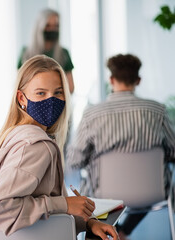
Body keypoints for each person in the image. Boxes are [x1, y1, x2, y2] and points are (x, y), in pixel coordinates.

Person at [0, 55, 118, 239]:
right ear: (22, 98)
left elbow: (41, 213)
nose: (51, 101)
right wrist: (63, 204)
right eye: (41, 93)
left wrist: (88, 223)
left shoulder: (14, 135)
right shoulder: (36, 147)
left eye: (58, 93)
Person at [67, 53, 175, 239]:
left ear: (111, 79)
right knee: (158, 176)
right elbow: (173, 151)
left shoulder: (92, 115)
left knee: (89, 191)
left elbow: (75, 161)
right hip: (153, 191)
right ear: (138, 80)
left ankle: (102, 231)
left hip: (104, 194)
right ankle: (123, 232)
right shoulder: (158, 111)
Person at [17, 8, 75, 94]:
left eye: (56, 26)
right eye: (48, 25)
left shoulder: (64, 53)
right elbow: (18, 85)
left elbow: (70, 88)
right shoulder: (26, 53)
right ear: (40, 27)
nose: (52, 29)